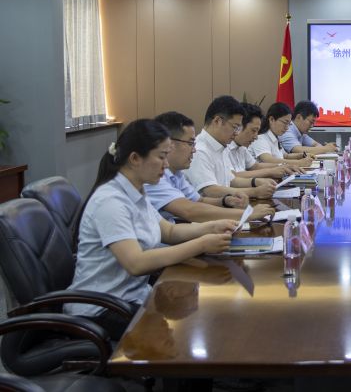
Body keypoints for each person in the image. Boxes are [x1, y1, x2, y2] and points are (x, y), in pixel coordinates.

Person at [65, 119, 236, 340]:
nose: (166, 164)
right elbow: (136, 263)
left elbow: (169, 232)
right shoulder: (110, 201)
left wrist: (210, 227)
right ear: (135, 158)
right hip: (101, 309)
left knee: (198, 312)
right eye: (161, 156)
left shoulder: (136, 191)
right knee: (188, 328)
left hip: (132, 296)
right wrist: (202, 244)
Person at [144, 111, 274, 223]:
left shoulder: (175, 173)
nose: (194, 150)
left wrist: (225, 201)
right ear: (169, 145)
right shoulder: (152, 178)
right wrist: (246, 214)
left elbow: (198, 200)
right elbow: (189, 210)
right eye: (190, 143)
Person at [185, 96, 278, 199]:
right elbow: (210, 190)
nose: (237, 133)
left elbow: (231, 180)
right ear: (217, 121)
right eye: (235, 127)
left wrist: (255, 182)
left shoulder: (221, 145)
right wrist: (254, 192)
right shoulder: (199, 150)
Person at [228, 103, 295, 179]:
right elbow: (232, 177)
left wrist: (283, 166)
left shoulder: (242, 147)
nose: (256, 137)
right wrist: (270, 172)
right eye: (253, 130)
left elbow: (255, 166)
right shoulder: (225, 147)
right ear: (239, 126)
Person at [249, 102, 314, 167]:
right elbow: (269, 160)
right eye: (285, 123)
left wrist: (301, 155)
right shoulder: (260, 138)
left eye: (289, 124)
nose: (287, 128)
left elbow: (285, 156)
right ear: (271, 119)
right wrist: (298, 163)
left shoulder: (275, 137)